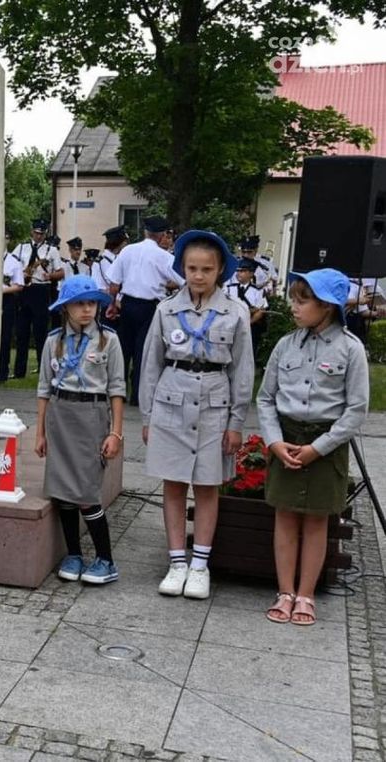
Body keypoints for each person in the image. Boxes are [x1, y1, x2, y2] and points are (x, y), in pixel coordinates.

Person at [140, 230, 253, 599]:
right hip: (172, 401)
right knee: (173, 483)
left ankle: (200, 565)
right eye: (191, 268)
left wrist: (237, 423)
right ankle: (176, 562)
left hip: (215, 405)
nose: (199, 275)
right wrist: (147, 416)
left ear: (221, 270)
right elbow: (150, 366)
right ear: (181, 268)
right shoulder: (166, 309)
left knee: (207, 486)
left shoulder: (236, 313)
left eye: (207, 268)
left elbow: (242, 371)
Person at [257, 269, 368, 625]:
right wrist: (274, 442)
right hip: (286, 438)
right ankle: (284, 591)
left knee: (318, 520)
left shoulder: (350, 349)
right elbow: (265, 399)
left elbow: (356, 410)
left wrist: (318, 448)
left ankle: (306, 595)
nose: (294, 307)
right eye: (294, 298)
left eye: (302, 300)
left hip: (326, 443)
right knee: (285, 516)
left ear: (328, 306)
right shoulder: (285, 344)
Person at [35, 275, 126, 585]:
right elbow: (44, 387)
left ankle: (105, 559)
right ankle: (73, 554)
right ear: (66, 308)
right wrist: (40, 432)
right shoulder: (53, 341)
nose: (87, 309)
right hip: (60, 415)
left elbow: (116, 388)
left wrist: (115, 433)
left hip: (91, 415)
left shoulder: (108, 340)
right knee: (63, 493)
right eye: (79, 304)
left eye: (92, 303)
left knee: (87, 492)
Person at [106, 216, 182, 406]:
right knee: (144, 352)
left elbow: (114, 284)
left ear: (145, 232)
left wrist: (112, 304)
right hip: (150, 307)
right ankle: (138, 395)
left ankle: (118, 392)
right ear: (162, 235)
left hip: (128, 304)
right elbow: (183, 280)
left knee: (123, 349)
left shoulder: (128, 251)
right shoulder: (164, 256)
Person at [10, 219, 63, 377]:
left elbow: (61, 273)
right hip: (24, 290)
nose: (39, 236)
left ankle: (43, 369)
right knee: (22, 332)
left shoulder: (51, 250)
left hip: (41, 289)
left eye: (42, 233)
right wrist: (21, 273)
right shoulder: (21, 248)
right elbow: (10, 266)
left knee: (40, 332)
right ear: (32, 232)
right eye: (37, 233)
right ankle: (19, 371)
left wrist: (50, 275)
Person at [224, 258, 268, 359]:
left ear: (251, 274)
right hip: (230, 325)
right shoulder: (229, 288)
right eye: (238, 271)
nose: (239, 273)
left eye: (243, 271)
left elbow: (261, 310)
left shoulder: (257, 291)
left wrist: (248, 323)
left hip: (249, 328)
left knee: (247, 355)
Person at [0, 237, 25, 382]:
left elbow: (19, 285)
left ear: (8, 240)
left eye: (5, 238)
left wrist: (1, 291)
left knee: (4, 336)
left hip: (6, 299)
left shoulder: (13, 261)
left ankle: (2, 372)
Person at [93, 225, 127, 330]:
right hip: (108, 305)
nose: (126, 244)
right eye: (125, 242)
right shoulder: (100, 262)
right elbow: (99, 287)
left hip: (122, 305)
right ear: (120, 243)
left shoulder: (120, 259)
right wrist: (115, 301)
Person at [345, 276, 377, 343]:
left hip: (353, 324)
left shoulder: (358, 287)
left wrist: (377, 313)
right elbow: (340, 301)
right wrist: (358, 301)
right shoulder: (345, 284)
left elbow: (363, 311)